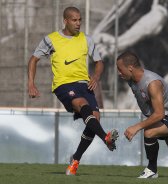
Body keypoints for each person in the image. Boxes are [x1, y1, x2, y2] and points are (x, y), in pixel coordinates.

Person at [27, 7, 118, 176]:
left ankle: (75, 160)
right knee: (81, 104)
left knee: (94, 120)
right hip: (63, 85)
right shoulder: (51, 39)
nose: (78, 23)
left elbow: (99, 62)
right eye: (74, 20)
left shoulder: (86, 39)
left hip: (84, 84)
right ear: (65, 21)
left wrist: (96, 77)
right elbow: (33, 59)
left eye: (80, 20)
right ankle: (106, 138)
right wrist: (31, 84)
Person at [116, 51, 168, 178]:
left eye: (120, 69)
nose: (119, 73)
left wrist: (136, 127)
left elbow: (159, 114)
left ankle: (152, 170)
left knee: (149, 132)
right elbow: (156, 97)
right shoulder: (131, 80)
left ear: (130, 68)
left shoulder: (152, 83)